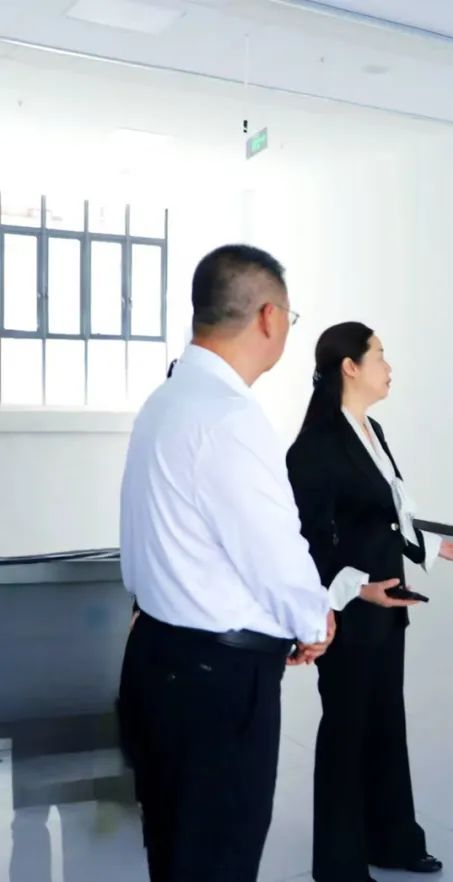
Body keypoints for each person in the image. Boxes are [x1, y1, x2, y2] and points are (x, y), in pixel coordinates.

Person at [117, 244, 336, 882]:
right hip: (215, 683)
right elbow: (274, 550)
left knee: (175, 850)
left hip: (157, 658)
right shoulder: (230, 417)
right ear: (269, 317)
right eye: (290, 318)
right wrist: (313, 621)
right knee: (218, 857)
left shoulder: (166, 400)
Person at [286, 322, 453, 882]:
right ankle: (339, 866)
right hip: (348, 610)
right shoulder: (315, 446)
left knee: (385, 723)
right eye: (379, 355)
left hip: (387, 604)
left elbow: (393, 510)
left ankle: (393, 840)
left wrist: (432, 547)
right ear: (350, 367)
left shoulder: (372, 429)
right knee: (346, 732)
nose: (388, 366)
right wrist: (356, 586)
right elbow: (304, 539)